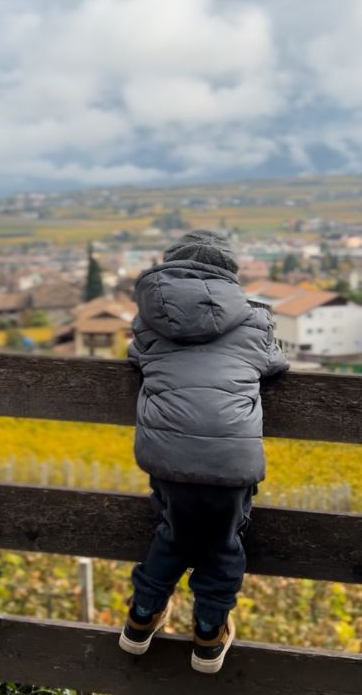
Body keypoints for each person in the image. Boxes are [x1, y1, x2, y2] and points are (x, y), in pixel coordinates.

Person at [118, 229, 289, 674]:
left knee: (174, 532)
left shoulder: (149, 321)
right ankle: (209, 634)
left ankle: (140, 619)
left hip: (166, 456)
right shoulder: (252, 321)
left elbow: (137, 356)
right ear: (228, 275)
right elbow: (276, 364)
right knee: (222, 541)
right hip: (229, 459)